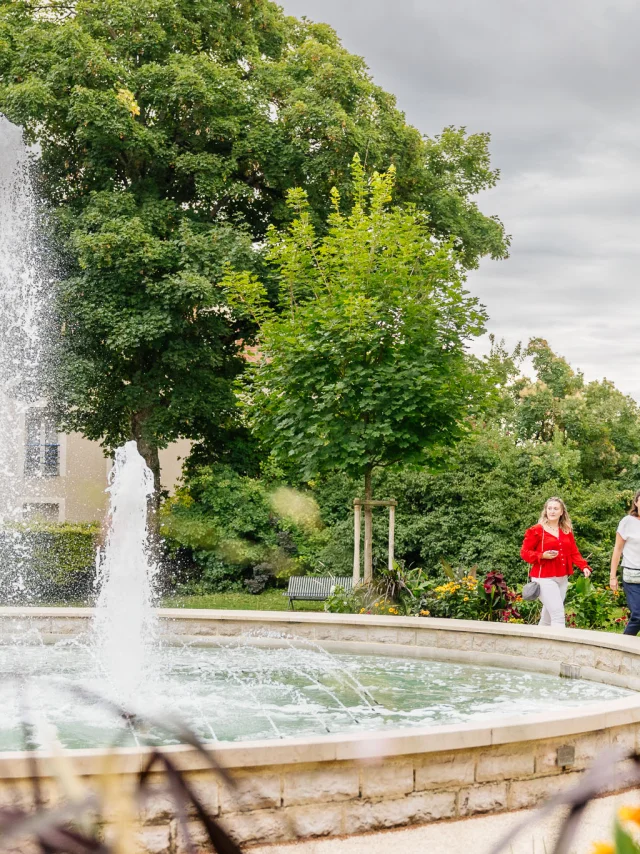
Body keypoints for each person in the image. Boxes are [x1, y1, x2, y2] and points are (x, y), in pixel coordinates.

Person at [520, 497, 592, 627]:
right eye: (549, 508)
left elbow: (574, 552)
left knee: (547, 617)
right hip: (543, 578)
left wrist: (584, 566)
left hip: (562, 578)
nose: (552, 511)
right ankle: (560, 647)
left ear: (562, 512)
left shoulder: (566, 530)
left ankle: (539, 645)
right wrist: (542, 555)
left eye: (555, 508)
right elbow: (524, 553)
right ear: (545, 511)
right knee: (558, 615)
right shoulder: (536, 530)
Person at [610, 490, 640, 636]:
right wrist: (612, 576)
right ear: (636, 502)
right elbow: (617, 550)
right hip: (632, 574)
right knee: (638, 615)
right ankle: (621, 649)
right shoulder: (627, 522)